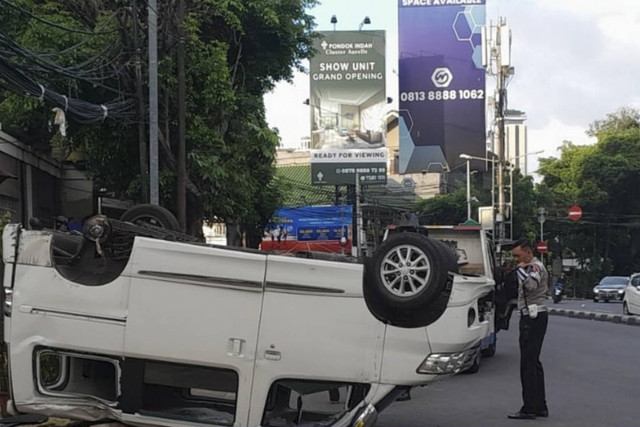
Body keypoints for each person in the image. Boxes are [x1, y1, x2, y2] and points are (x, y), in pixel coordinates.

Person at [508, 238, 549, 420]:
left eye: (518, 255)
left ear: (528, 252)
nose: (517, 259)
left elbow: (531, 286)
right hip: (532, 316)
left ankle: (529, 408)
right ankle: (540, 406)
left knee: (528, 364)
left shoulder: (535, 267)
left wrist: (520, 271)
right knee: (534, 363)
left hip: (533, 318)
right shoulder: (529, 267)